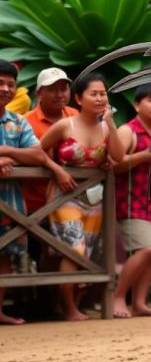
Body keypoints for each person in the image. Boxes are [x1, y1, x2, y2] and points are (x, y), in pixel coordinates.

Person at [40, 72, 125, 321]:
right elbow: (38, 150)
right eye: (93, 94)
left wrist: (110, 124)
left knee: (87, 254)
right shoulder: (65, 125)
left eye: (103, 93)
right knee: (75, 250)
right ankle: (69, 308)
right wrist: (57, 171)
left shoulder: (105, 126)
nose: (100, 98)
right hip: (64, 197)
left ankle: (73, 304)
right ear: (78, 98)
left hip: (94, 201)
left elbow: (118, 157)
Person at [111, 83, 151, 318]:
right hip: (130, 201)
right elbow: (114, 164)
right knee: (146, 248)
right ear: (137, 105)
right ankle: (118, 297)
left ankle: (139, 303)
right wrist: (145, 156)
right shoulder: (128, 131)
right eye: (150, 99)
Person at [0, 59, 47, 325]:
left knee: (5, 258)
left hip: (11, 203)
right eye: (1, 84)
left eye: (11, 85)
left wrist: (6, 152)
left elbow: (37, 154)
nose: (6, 89)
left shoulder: (17, 122)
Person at [23, 68, 78, 215]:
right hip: (35, 203)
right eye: (53, 90)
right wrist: (56, 170)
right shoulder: (26, 121)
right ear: (39, 93)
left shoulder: (76, 115)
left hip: (72, 200)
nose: (60, 95)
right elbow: (26, 154)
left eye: (64, 89)